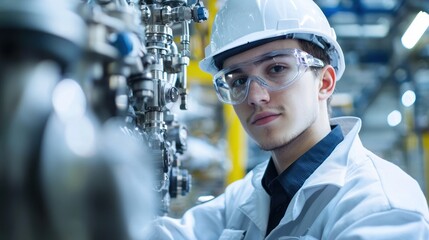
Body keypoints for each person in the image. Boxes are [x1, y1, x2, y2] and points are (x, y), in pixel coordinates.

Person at [145, 0, 429, 239]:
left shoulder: (381, 205)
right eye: (238, 80)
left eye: (277, 68)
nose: (255, 96)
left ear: (325, 82)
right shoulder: (250, 194)